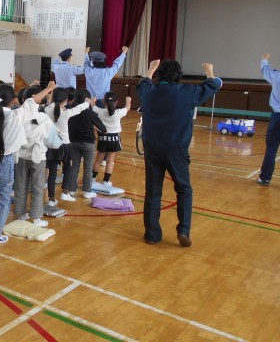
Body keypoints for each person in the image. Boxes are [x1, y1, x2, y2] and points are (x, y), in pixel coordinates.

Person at [138, 59, 222, 247]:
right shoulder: (187, 92)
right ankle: (183, 230)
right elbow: (213, 85)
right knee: (184, 189)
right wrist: (209, 70)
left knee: (153, 191)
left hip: (152, 148)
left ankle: (152, 234)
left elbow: (142, 83)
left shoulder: (148, 92)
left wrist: (151, 69)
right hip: (176, 149)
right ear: (178, 76)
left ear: (159, 75)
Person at [0, 80, 27, 246]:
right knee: (4, 198)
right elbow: (32, 102)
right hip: (3, 161)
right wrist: (49, 88)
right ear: (13, 100)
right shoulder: (16, 115)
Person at [13, 83, 62, 227]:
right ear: (38, 100)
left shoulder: (18, 115)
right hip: (38, 157)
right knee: (37, 187)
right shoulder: (45, 119)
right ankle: (36, 218)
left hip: (20, 156)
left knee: (20, 185)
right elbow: (53, 143)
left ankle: (21, 214)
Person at [43, 87, 90, 205]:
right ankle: (65, 193)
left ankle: (51, 199)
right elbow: (78, 109)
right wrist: (87, 103)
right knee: (69, 168)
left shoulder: (47, 109)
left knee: (52, 173)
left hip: (51, 145)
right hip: (64, 145)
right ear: (65, 100)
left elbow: (50, 105)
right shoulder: (66, 113)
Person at [66, 88, 106, 200]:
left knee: (75, 166)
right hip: (88, 143)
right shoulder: (90, 113)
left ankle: (72, 189)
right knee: (88, 167)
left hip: (73, 142)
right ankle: (87, 191)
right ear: (87, 100)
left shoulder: (71, 111)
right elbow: (103, 129)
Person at [92, 92, 131, 185]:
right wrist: (128, 100)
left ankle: (92, 180)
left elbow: (93, 106)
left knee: (98, 160)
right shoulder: (118, 113)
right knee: (110, 161)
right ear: (116, 102)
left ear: (103, 102)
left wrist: (93, 100)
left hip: (102, 138)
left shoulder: (100, 111)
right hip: (114, 139)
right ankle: (106, 181)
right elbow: (127, 107)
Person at [258, 54, 280, 186]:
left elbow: (265, 71)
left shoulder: (277, 76)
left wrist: (264, 59)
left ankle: (265, 178)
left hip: (277, 117)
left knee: (271, 148)